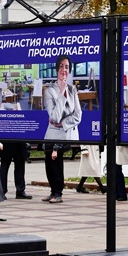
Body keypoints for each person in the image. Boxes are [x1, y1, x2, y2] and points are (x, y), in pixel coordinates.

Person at [41, 55, 81, 204]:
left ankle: (58, 192)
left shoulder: (72, 90)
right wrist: (60, 94)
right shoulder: (50, 91)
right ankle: (53, 191)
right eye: (62, 66)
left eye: (67, 67)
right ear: (57, 68)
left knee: (56, 160)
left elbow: (77, 115)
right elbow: (53, 116)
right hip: (50, 133)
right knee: (48, 162)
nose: (64, 70)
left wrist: (63, 123)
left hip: (64, 133)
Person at [0, 90, 31, 199]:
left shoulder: (3, 109)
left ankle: (13, 191)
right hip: (12, 141)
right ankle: (7, 190)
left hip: (13, 141)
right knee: (8, 166)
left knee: (14, 166)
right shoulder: (7, 109)